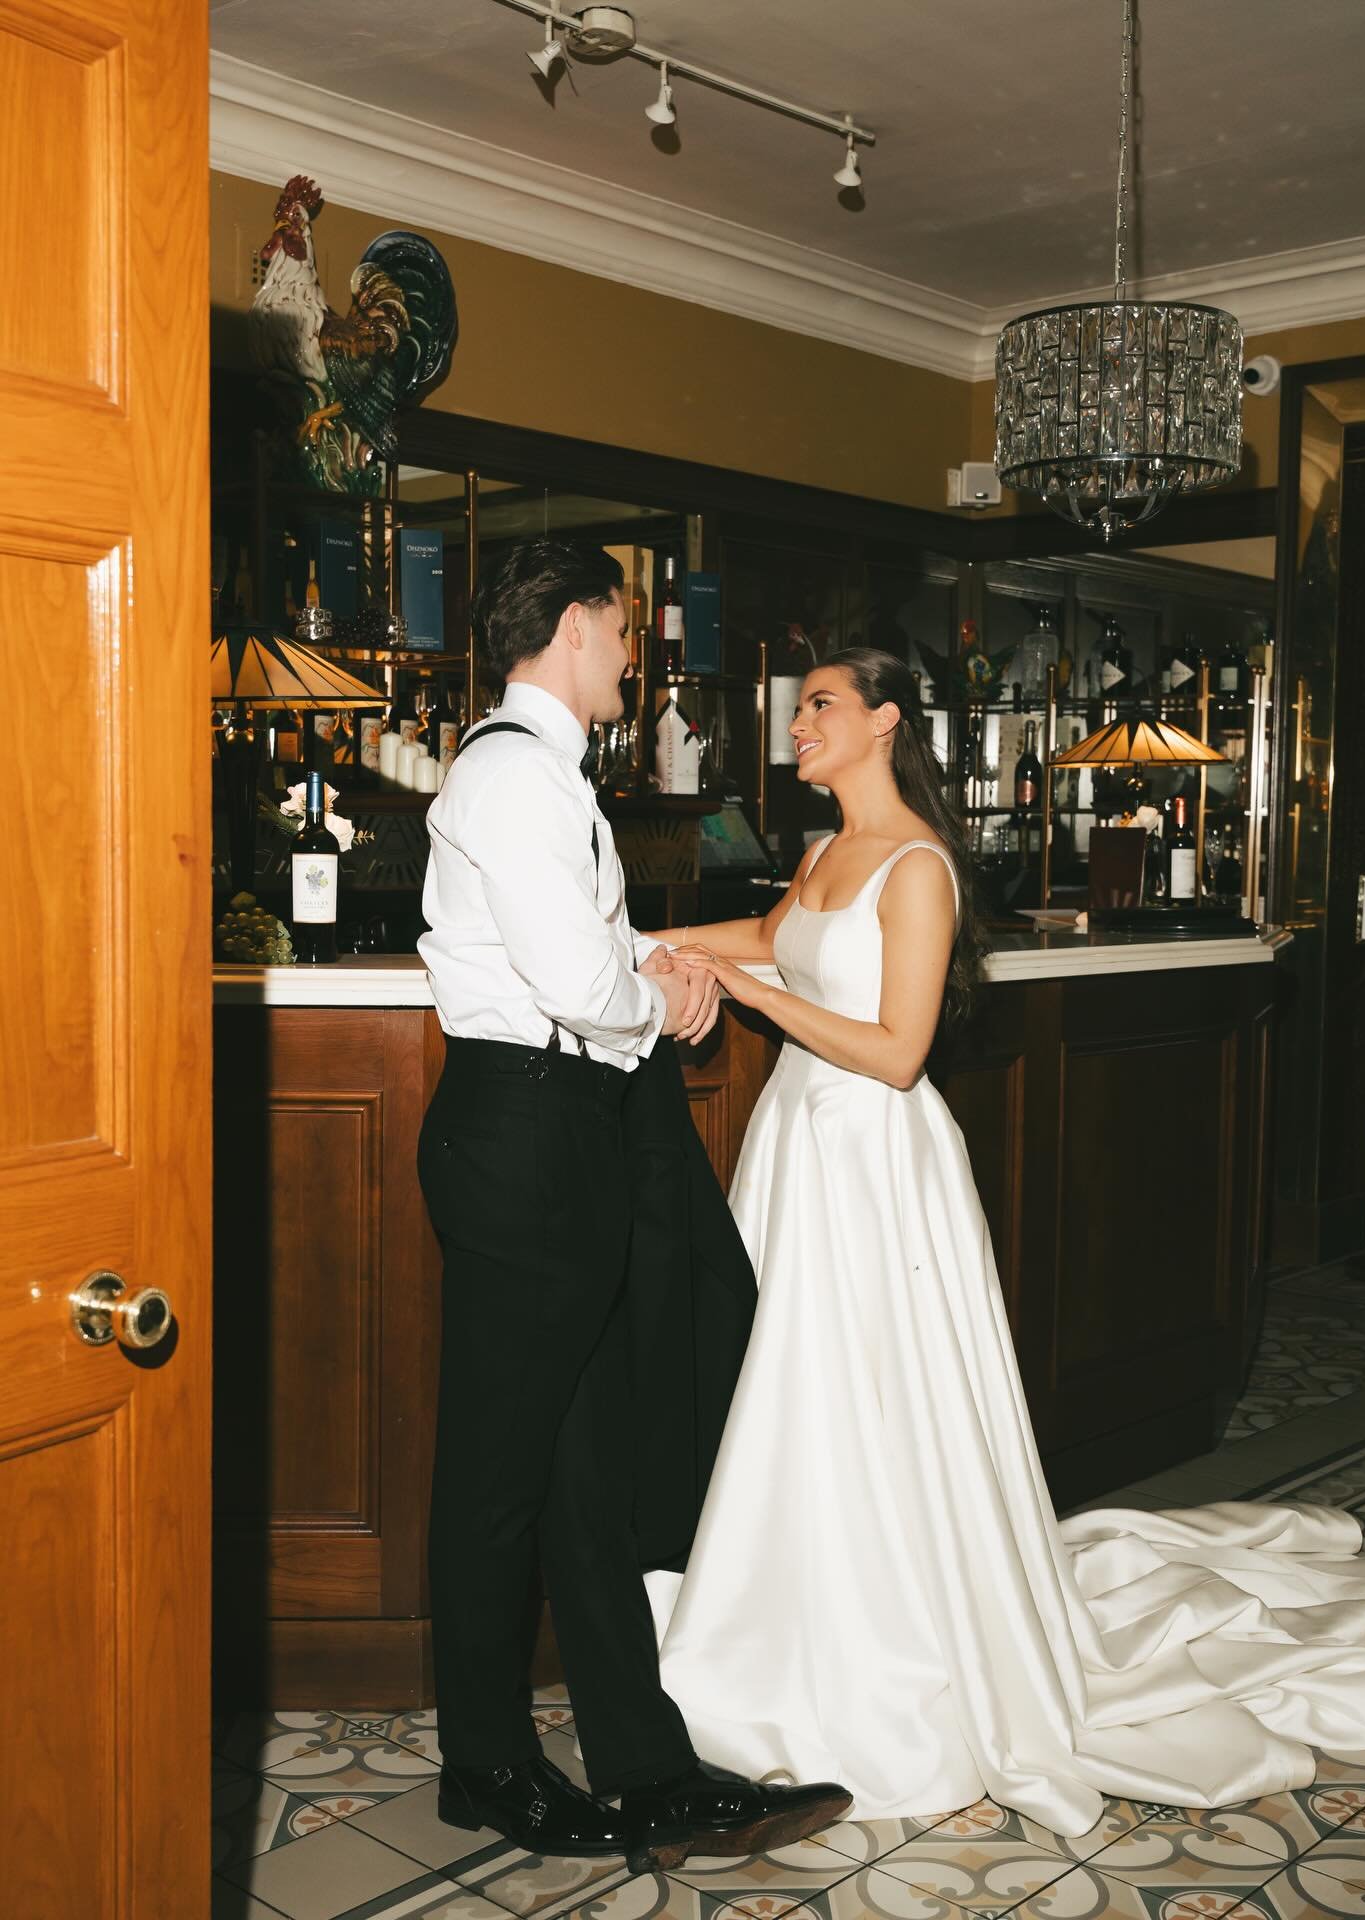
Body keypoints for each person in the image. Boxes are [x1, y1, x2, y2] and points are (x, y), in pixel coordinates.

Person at [646, 645, 1365, 1836]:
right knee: (793, 1392)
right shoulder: (817, 856)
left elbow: (898, 1051)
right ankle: (783, 1613)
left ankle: (888, 1642)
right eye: (796, 706)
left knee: (874, 1396)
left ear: (883, 723)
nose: (795, 722)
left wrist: (748, 995)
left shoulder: (917, 867)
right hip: (798, 1151)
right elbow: (771, 933)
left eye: (818, 704)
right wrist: (653, 944)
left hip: (874, 1159)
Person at [415, 539, 850, 1873]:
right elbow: (570, 982)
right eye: (618, 631)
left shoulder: (540, 776)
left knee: (582, 1476)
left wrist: (639, 970)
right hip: (524, 1136)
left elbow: (578, 958)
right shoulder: (510, 774)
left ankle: (644, 1767)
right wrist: (652, 994)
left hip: (563, 1134)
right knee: (497, 1479)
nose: (632, 656)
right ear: (572, 627)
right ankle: (483, 1765)